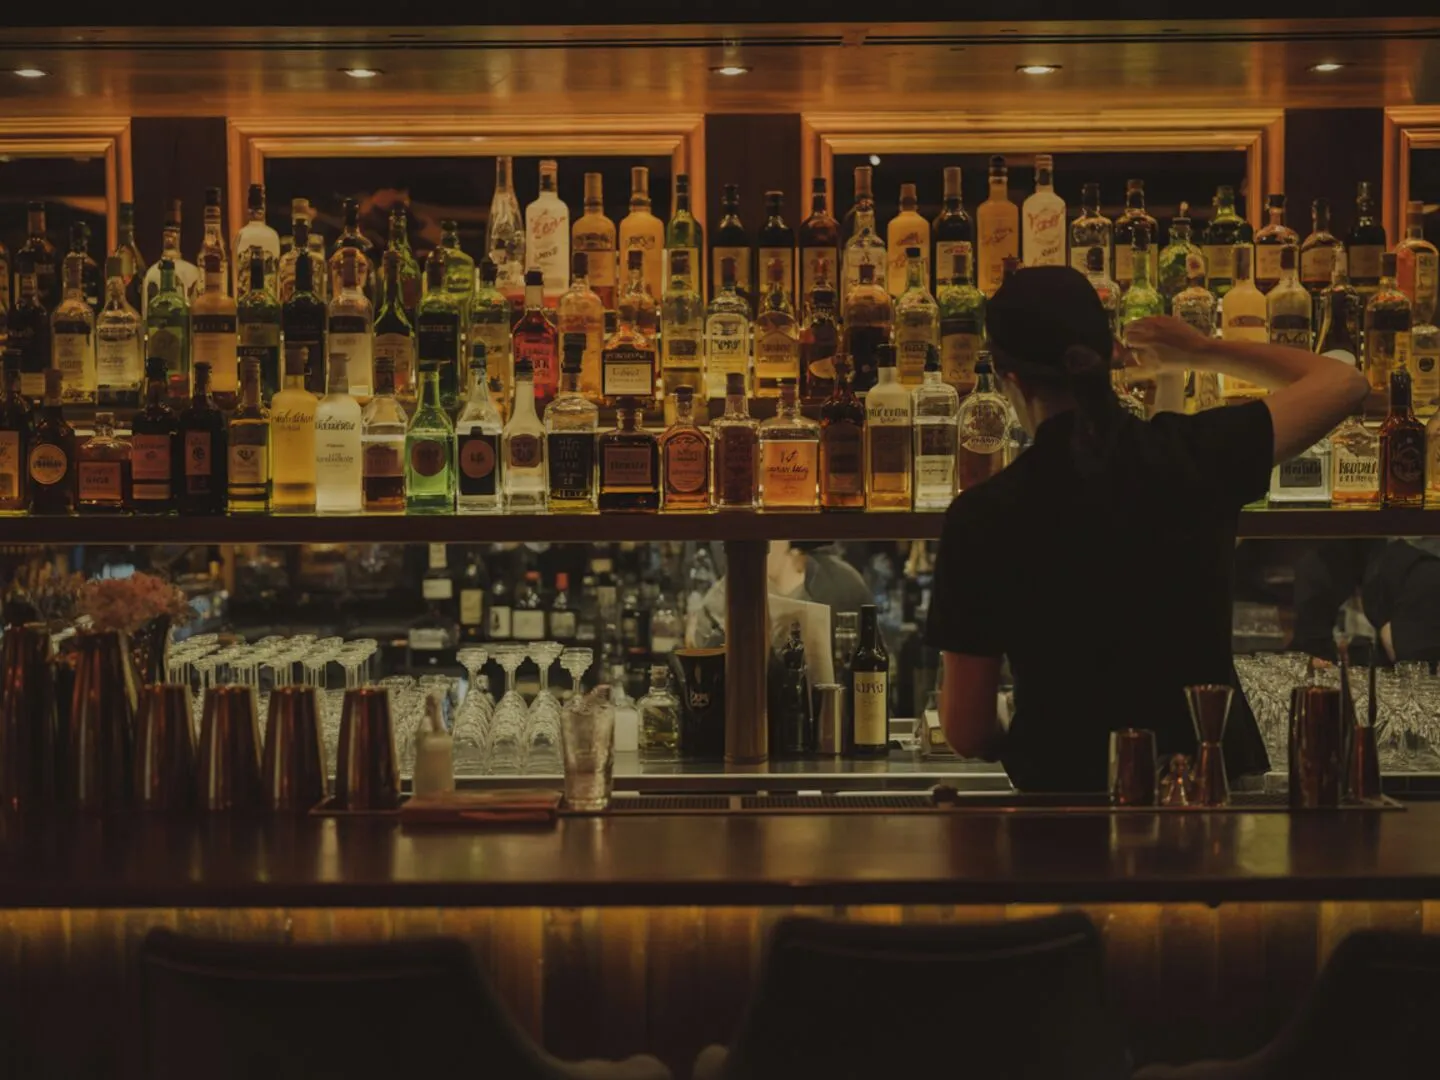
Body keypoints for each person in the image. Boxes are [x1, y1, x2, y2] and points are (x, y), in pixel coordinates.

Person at [925, 266, 1368, 792]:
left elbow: (967, 732)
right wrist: (1202, 350)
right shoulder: (1196, 455)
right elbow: (1344, 381)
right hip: (1202, 796)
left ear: (1009, 378)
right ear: (1110, 353)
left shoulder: (983, 514)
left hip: (1060, 809)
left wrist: (1021, 726)